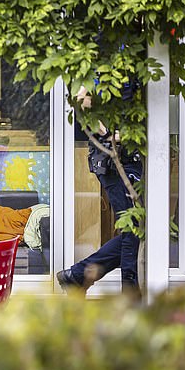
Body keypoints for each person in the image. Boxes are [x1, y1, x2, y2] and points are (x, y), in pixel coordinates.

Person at [57, 90, 143, 297]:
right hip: (113, 163)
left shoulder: (129, 73)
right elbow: (79, 100)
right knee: (131, 229)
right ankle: (130, 294)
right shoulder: (101, 69)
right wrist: (107, 135)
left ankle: (77, 276)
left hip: (129, 163)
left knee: (133, 230)